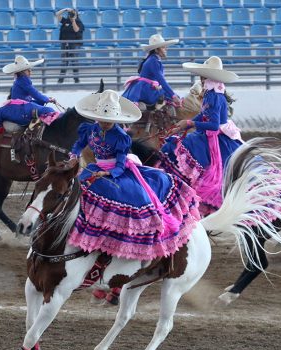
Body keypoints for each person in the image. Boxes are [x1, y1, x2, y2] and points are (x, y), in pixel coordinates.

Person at [68, 90, 200, 263]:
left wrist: (110, 172)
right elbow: (79, 145)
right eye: (103, 120)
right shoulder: (89, 129)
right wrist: (73, 156)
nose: (106, 123)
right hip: (95, 168)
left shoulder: (121, 137)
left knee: (122, 197)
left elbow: (121, 162)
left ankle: (115, 240)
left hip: (116, 171)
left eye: (110, 121)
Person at [161, 56, 244, 215]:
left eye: (202, 75)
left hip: (215, 136)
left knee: (180, 148)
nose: (200, 77)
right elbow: (203, 114)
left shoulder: (212, 95)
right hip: (215, 133)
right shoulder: (213, 91)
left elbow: (213, 124)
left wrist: (190, 124)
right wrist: (186, 122)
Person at [121, 34, 181, 108]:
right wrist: (173, 95)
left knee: (169, 95)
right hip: (146, 89)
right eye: (163, 47)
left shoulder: (153, 59)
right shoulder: (153, 60)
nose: (166, 49)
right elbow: (161, 80)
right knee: (171, 97)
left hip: (144, 87)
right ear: (156, 49)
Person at [56, 7, 84, 84]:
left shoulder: (79, 22)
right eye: (69, 14)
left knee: (74, 62)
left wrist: (73, 20)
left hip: (74, 45)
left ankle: (76, 80)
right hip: (65, 44)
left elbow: (76, 30)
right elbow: (57, 14)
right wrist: (65, 9)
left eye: (72, 14)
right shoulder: (65, 21)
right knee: (64, 62)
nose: (70, 15)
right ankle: (61, 80)